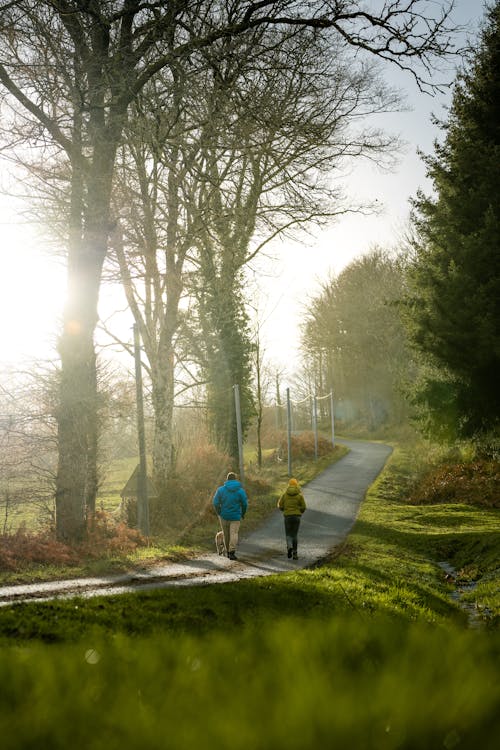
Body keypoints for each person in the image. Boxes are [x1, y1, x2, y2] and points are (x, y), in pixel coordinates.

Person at [212, 472, 248, 560]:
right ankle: (232, 552)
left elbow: (215, 502)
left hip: (224, 515)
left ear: (227, 479)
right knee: (234, 533)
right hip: (236, 516)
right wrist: (242, 513)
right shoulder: (240, 491)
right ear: (235, 479)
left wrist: (219, 512)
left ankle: (227, 551)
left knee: (226, 534)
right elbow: (244, 504)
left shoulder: (220, 490)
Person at [277, 477, 306, 560]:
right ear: (296, 485)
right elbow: (304, 506)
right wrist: (300, 512)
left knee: (288, 534)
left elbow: (280, 505)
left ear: (289, 485)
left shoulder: (284, 495)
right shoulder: (300, 495)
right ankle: (295, 554)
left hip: (287, 517)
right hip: (297, 517)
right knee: (295, 535)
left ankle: (289, 547)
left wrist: (284, 510)